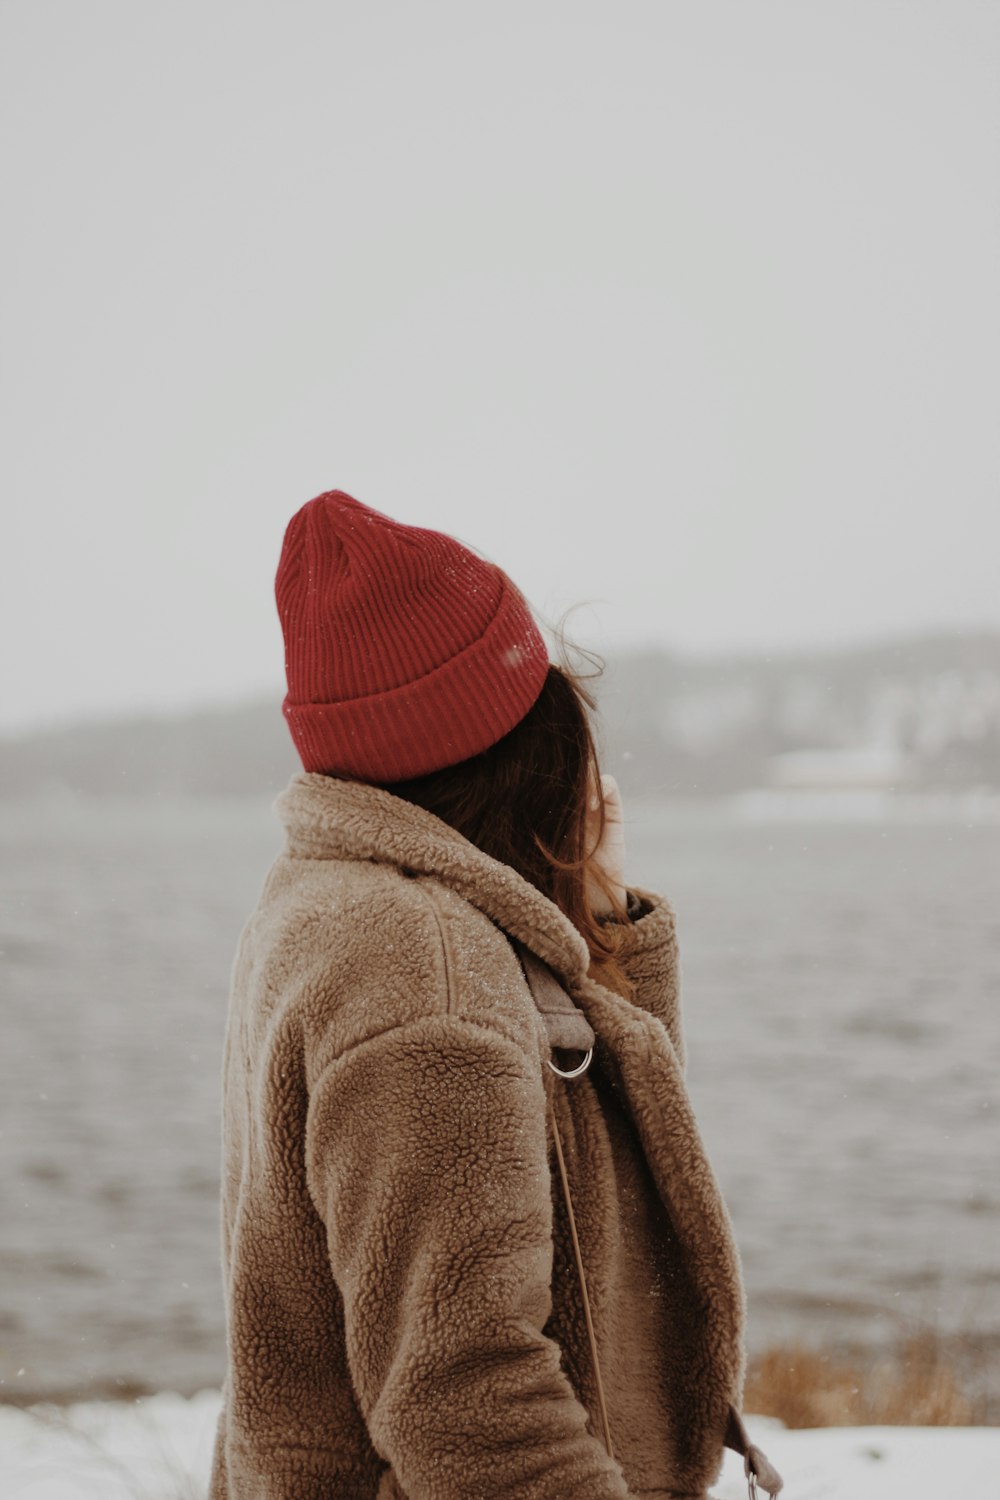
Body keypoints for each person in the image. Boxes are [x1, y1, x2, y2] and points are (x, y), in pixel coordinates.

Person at [209, 489, 783, 1499]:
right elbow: (468, 1401)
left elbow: (584, 1192)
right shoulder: (424, 977)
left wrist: (593, 915)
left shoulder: (337, 904)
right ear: (518, 745)